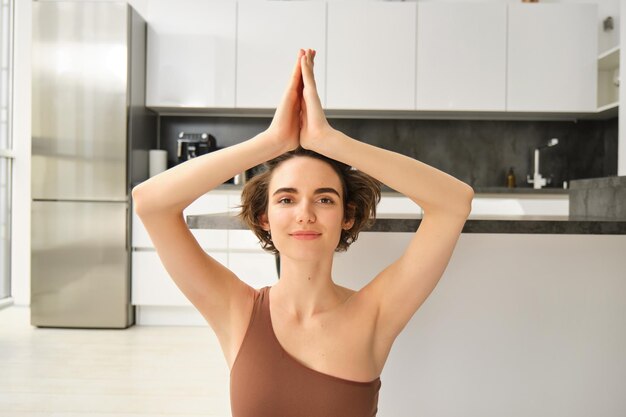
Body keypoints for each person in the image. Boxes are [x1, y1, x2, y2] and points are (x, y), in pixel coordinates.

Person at [132, 49, 474, 417]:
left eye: (324, 199)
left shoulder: (376, 312)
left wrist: (330, 141)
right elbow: (150, 203)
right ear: (264, 217)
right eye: (286, 199)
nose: (305, 215)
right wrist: (271, 141)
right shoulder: (236, 310)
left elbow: (454, 202)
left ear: (347, 216)